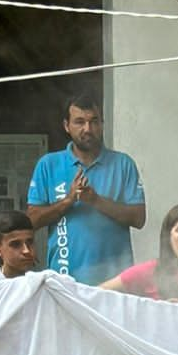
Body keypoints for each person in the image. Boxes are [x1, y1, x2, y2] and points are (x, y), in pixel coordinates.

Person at [26, 89, 145, 285]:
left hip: (116, 283)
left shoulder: (123, 164)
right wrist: (68, 201)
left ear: (102, 124)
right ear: (66, 126)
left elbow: (139, 218)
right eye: (79, 122)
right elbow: (31, 220)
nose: (88, 129)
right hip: (64, 282)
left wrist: (95, 201)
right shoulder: (48, 164)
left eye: (94, 121)